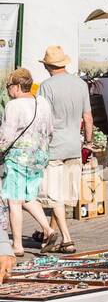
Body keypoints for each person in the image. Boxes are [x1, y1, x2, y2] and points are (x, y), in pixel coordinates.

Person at [37, 46, 92, 253]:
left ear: (48, 66)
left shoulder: (46, 86)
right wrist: (88, 143)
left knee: (55, 195)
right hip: (73, 146)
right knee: (63, 194)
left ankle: (67, 240)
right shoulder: (80, 84)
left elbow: (43, 120)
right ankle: (46, 237)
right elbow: (88, 118)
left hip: (53, 146)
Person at [2, 68, 57, 256]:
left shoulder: (13, 106)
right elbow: (50, 129)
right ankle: (48, 230)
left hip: (19, 157)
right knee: (28, 197)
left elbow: (7, 135)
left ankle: (17, 245)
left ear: (16, 86)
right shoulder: (41, 102)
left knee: (14, 201)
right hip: (39, 156)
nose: (8, 90)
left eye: (9, 86)